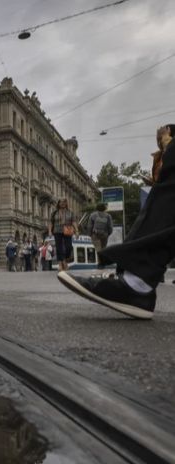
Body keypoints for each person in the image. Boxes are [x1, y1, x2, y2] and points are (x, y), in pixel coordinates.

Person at [59, 124, 175, 319]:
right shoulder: (97, 215)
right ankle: (135, 279)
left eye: (161, 139)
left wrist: (169, 147)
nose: (160, 146)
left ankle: (137, 283)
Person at [49, 199, 77, 271]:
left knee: (69, 247)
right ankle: (60, 264)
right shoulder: (54, 213)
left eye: (64, 202)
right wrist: (50, 231)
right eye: (61, 202)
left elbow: (73, 222)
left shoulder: (70, 212)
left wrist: (76, 231)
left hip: (67, 230)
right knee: (59, 247)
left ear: (66, 203)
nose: (63, 203)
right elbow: (51, 223)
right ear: (58, 203)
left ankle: (64, 260)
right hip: (57, 231)